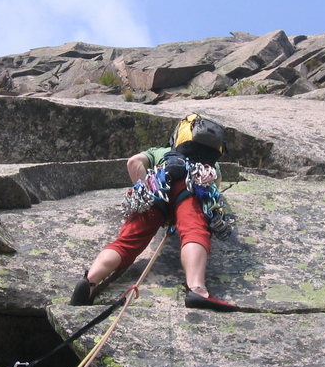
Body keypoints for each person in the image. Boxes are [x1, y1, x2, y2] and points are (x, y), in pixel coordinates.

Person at [70, 114, 237, 312]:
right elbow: (212, 192)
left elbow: (133, 162)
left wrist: (147, 191)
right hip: (192, 186)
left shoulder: (160, 152)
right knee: (194, 231)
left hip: (157, 183)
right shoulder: (211, 164)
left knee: (126, 243)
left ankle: (90, 281)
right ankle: (197, 289)